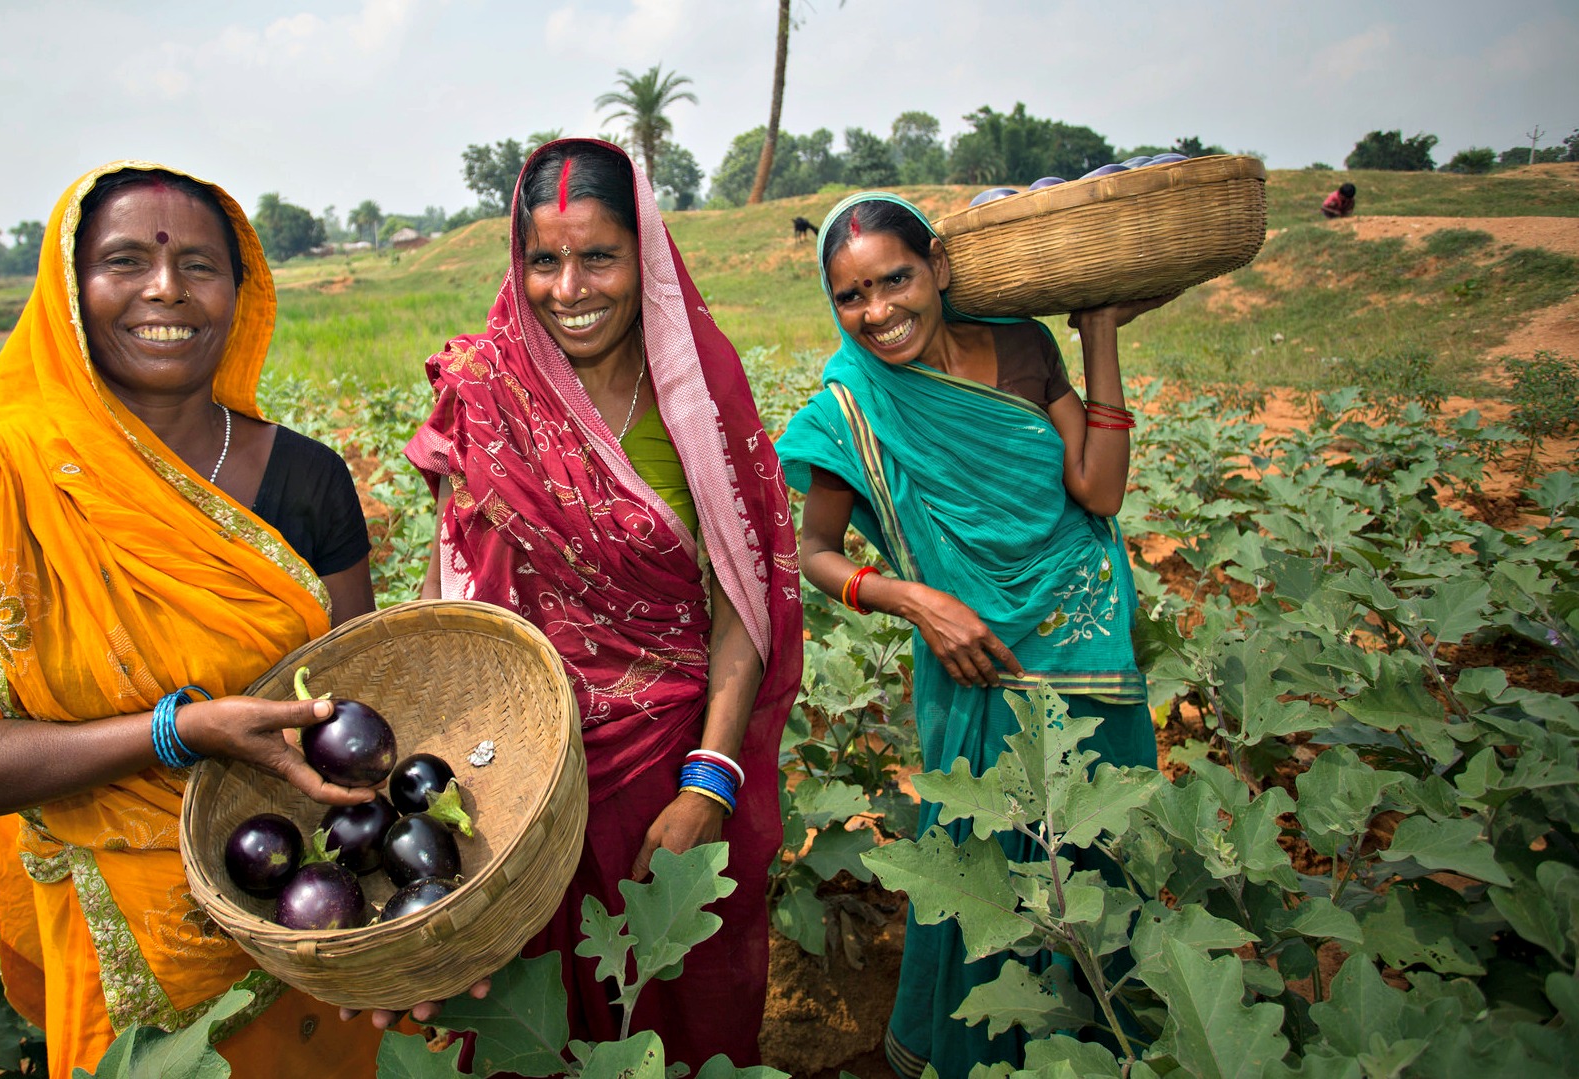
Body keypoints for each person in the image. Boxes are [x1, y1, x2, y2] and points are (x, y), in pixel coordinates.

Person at [0, 162, 406, 1077]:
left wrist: (419, 910)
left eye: (199, 264)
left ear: (240, 295)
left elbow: (360, 731)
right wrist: (179, 731)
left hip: (309, 916)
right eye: (124, 260)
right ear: (71, 292)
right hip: (130, 952)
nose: (165, 288)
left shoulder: (311, 478)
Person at [403, 139, 804, 1067]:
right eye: (545, 259)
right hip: (516, 778)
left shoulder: (695, 400)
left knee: (673, 1006)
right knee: (523, 1017)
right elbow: (448, 592)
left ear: (645, 257)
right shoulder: (484, 394)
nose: (570, 286)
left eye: (599, 257)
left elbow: (741, 603)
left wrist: (711, 779)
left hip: (666, 773)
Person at [774, 192, 1162, 1079]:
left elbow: (1098, 492)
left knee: (1092, 858)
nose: (877, 312)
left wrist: (1098, 333)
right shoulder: (851, 406)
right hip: (972, 663)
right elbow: (815, 552)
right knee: (985, 872)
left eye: (896, 280)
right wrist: (918, 602)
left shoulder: (1024, 345)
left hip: (1082, 638)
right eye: (851, 296)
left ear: (939, 268)